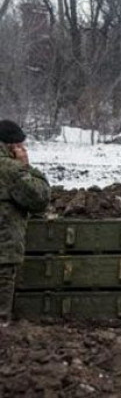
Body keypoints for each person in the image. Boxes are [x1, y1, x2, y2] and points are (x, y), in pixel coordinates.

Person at [0, 120, 50, 325]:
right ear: (12, 146)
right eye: (21, 145)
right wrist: (27, 167)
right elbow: (39, 197)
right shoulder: (11, 169)